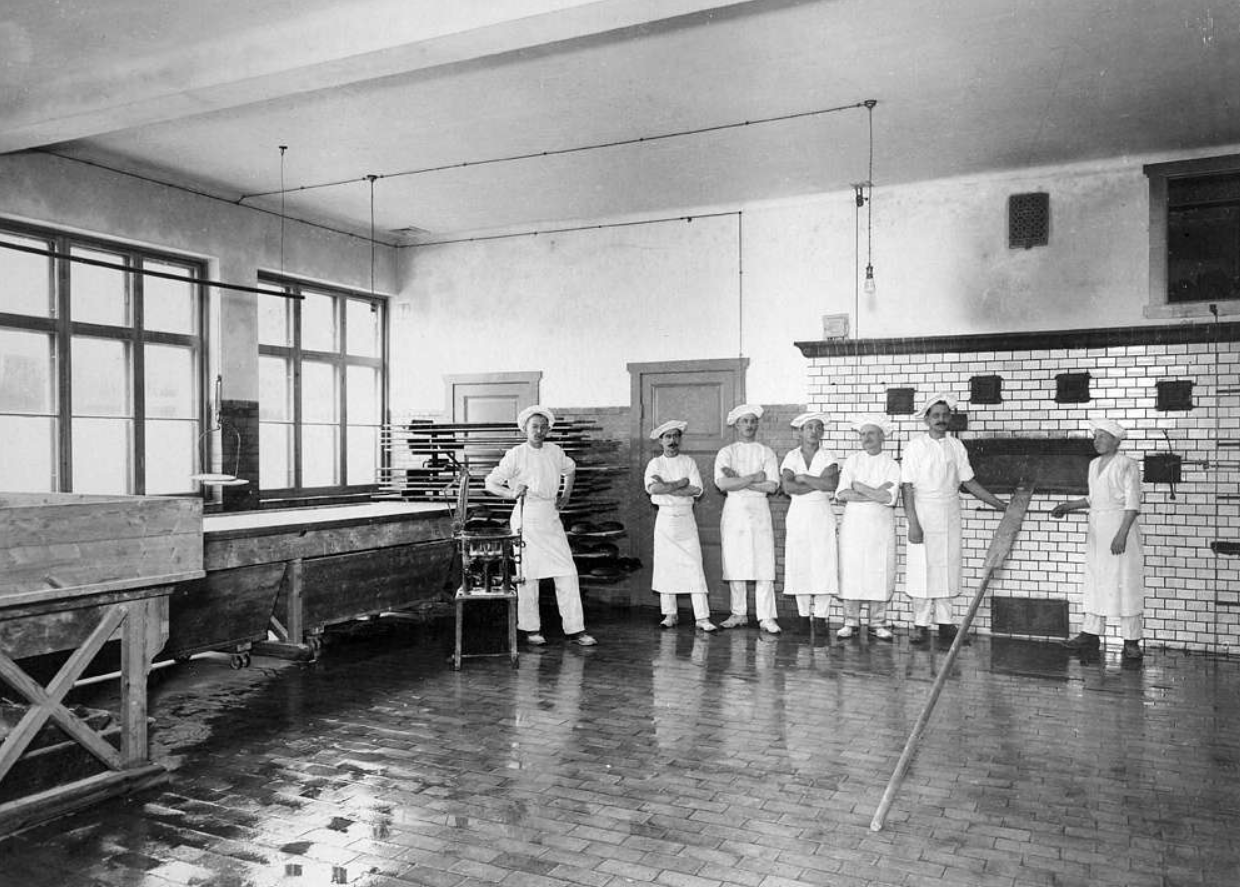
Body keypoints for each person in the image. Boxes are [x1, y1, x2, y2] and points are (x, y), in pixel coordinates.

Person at [485, 405, 596, 647]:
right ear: (525, 429)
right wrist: (511, 493)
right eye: (534, 426)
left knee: (567, 572)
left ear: (548, 430)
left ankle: (576, 629)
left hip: (550, 516)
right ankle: (531, 629)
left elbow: (571, 469)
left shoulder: (555, 451)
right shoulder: (516, 454)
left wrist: (566, 494)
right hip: (527, 516)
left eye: (543, 427)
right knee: (528, 575)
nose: (539, 431)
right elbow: (490, 483)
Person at [901, 393, 1007, 644]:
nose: (941, 419)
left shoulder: (956, 446)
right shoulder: (915, 446)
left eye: (945, 415)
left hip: (949, 512)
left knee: (947, 567)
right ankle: (920, 625)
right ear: (927, 419)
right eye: (936, 415)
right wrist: (913, 523)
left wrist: (999, 504)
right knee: (922, 568)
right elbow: (907, 487)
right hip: (923, 512)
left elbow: (968, 481)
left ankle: (946, 623)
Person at [1051, 418, 1146, 661]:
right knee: (1095, 581)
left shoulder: (1127, 464)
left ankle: (1131, 641)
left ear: (1116, 441)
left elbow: (1132, 503)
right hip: (1097, 531)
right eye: (1095, 437)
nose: (1097, 441)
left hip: (1120, 528)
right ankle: (1090, 635)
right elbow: (1094, 498)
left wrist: (1121, 535)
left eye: (1102, 436)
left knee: (1125, 583)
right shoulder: (1093, 465)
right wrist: (1068, 506)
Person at [714, 404, 781, 633]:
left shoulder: (766, 452)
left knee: (763, 564)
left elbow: (771, 486)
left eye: (753, 421)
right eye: (745, 421)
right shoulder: (726, 452)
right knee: (736, 562)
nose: (749, 425)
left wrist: (740, 480)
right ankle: (738, 613)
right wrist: (754, 478)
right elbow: (723, 483)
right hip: (735, 512)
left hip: (759, 511)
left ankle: (766, 617)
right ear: (736, 425)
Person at [644, 420, 716, 631]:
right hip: (665, 519)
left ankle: (702, 617)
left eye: (676, 436)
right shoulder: (655, 464)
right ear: (661, 441)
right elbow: (653, 489)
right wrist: (679, 484)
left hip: (686, 519)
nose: (672, 440)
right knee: (666, 566)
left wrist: (667, 486)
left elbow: (696, 490)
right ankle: (670, 614)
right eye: (668, 437)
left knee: (694, 566)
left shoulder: (688, 462)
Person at [835, 415, 902, 640]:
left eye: (871, 433)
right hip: (854, 526)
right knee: (852, 571)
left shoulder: (891, 464)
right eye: (863, 434)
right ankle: (850, 621)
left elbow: (888, 498)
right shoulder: (852, 461)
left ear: (882, 436)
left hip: (880, 527)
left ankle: (878, 622)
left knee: (879, 571)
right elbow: (842, 493)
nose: (866, 438)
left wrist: (860, 487)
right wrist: (875, 492)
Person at [779, 412, 840, 629]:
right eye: (809, 427)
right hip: (798, 514)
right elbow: (788, 487)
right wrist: (817, 482)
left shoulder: (829, 456)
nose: (814, 431)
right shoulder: (792, 456)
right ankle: (803, 617)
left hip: (821, 513)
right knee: (800, 563)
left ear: (822, 432)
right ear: (800, 432)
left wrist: (803, 478)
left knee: (823, 563)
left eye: (818, 427)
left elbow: (831, 484)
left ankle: (821, 618)